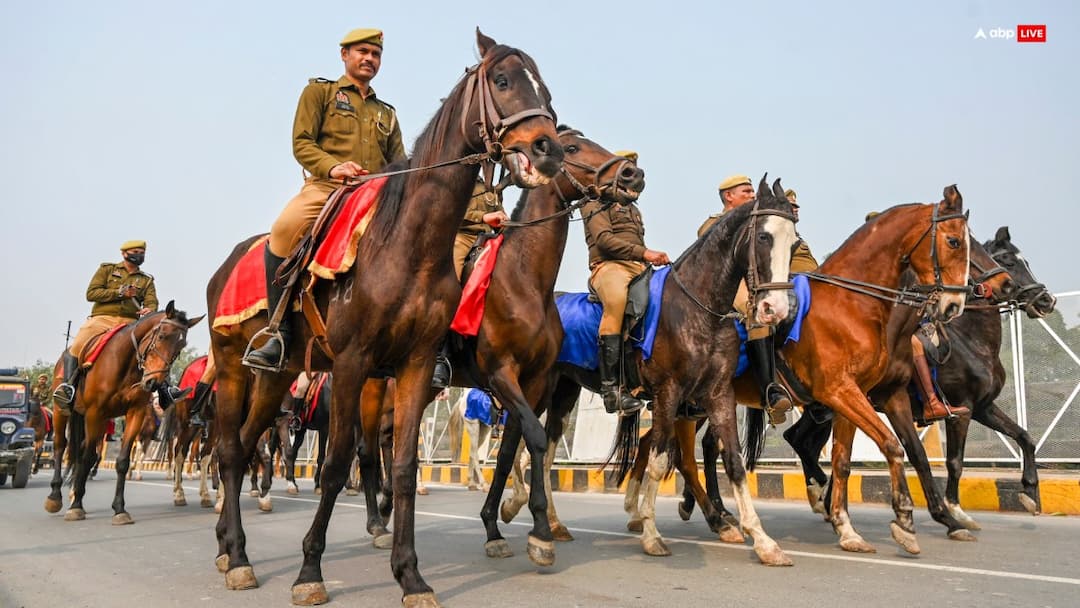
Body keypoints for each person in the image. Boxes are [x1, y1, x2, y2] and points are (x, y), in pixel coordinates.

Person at [244, 27, 406, 370]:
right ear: (344, 55)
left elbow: (399, 162)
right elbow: (302, 142)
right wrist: (333, 169)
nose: (369, 59)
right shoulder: (320, 93)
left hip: (375, 194)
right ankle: (277, 332)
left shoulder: (387, 114)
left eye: (375, 54)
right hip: (327, 187)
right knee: (284, 230)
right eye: (362, 51)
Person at [581, 150, 670, 414]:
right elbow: (604, 242)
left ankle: (652, 381)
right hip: (608, 267)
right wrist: (646, 253)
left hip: (638, 267)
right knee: (618, 303)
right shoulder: (594, 203)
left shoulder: (633, 208)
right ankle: (611, 390)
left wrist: (645, 260)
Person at [863, 211, 971, 425]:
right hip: (876, 321)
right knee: (914, 345)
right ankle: (930, 402)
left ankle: (929, 400)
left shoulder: (901, 258)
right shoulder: (870, 258)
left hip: (906, 318)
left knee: (932, 341)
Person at [53, 240, 188, 410]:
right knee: (80, 340)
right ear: (124, 253)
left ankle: (165, 390)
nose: (140, 255)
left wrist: (149, 310)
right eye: (136, 251)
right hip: (103, 318)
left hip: (131, 322)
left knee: (156, 345)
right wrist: (119, 293)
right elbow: (92, 293)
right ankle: (69, 387)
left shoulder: (146, 280)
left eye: (142, 252)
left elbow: (152, 301)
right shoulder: (108, 270)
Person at [428, 179, 511, 388]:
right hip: (460, 237)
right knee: (448, 287)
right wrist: (483, 217)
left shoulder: (488, 187)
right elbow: (446, 207)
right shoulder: (458, 176)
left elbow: (497, 214)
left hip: (489, 240)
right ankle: (439, 355)